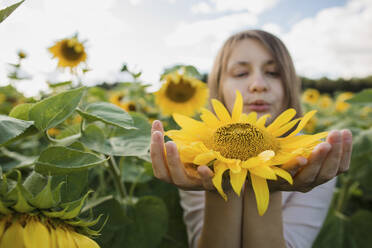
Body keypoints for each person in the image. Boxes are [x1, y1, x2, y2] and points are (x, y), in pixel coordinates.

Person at [150, 29, 353, 248]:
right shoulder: (197, 154)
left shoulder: (312, 158)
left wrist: (270, 184)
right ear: (218, 86)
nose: (258, 84)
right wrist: (220, 183)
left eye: (273, 72)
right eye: (240, 73)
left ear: (290, 85)